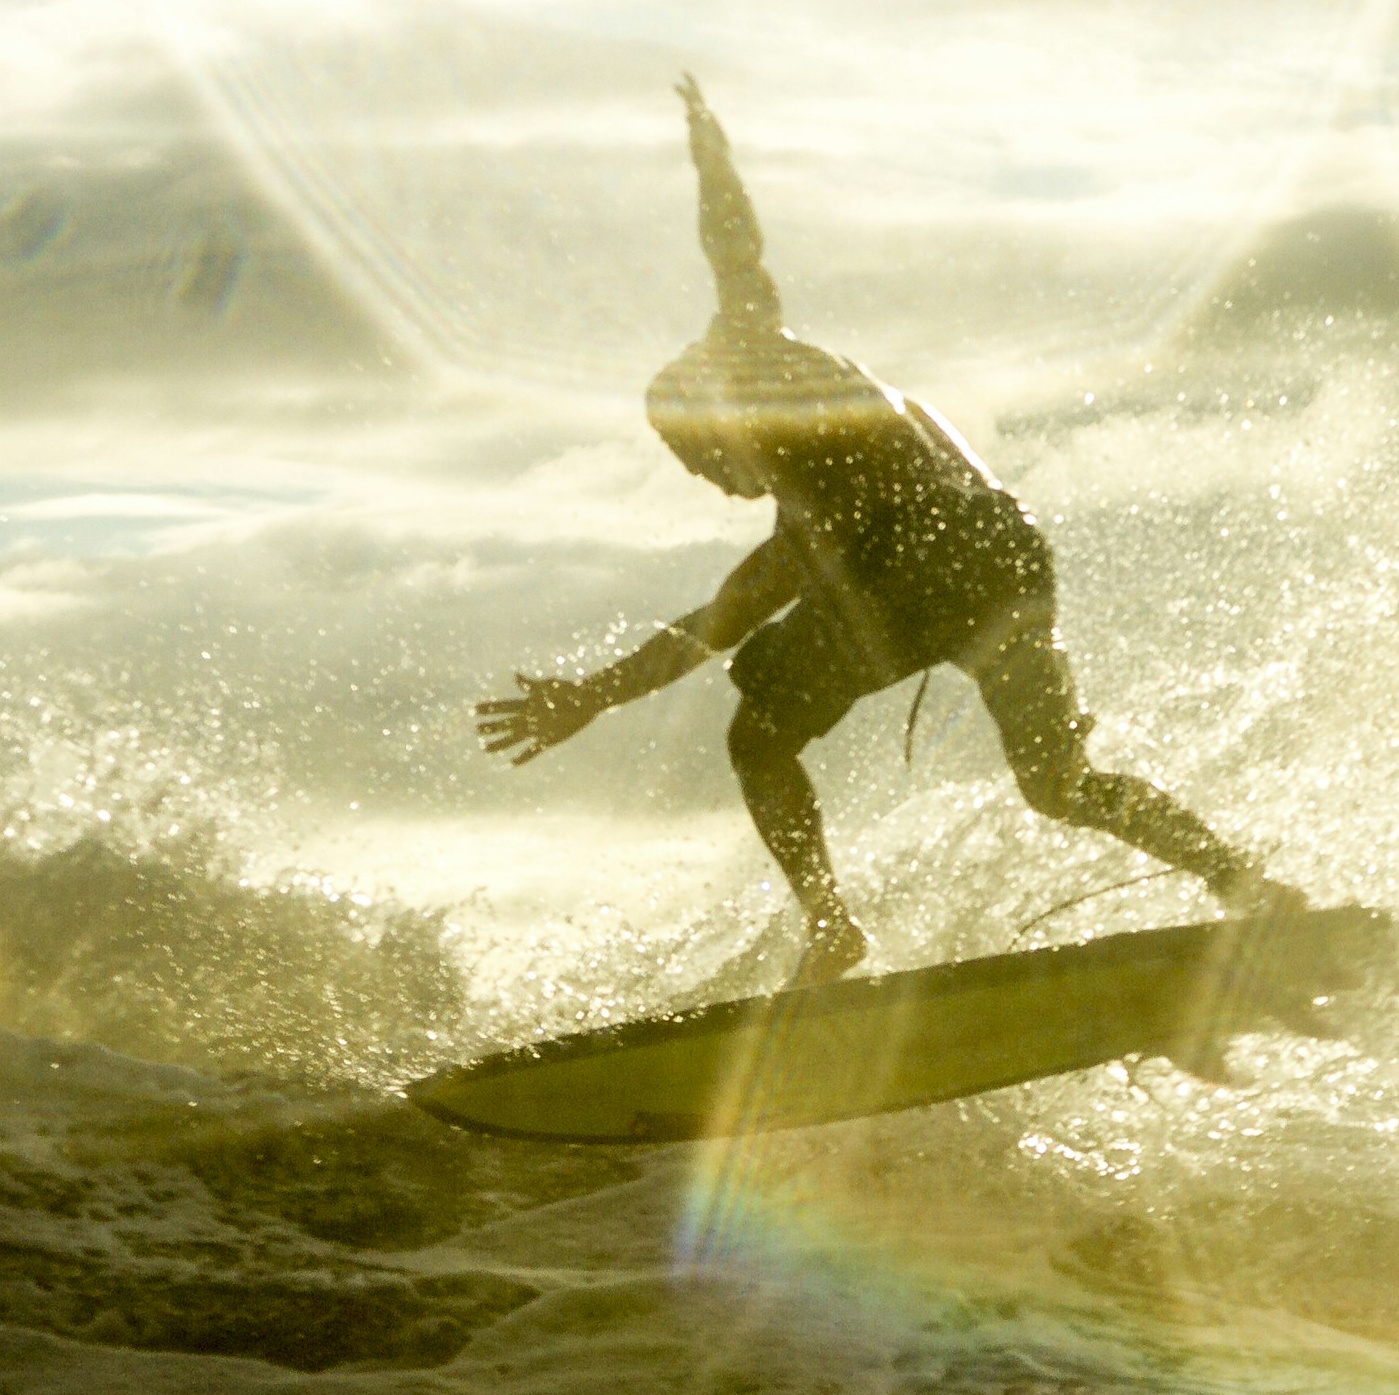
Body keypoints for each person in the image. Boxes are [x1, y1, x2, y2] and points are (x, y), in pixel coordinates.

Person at [476, 77, 1303, 986]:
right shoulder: (795, 421)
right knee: (1060, 785)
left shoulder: (755, 383)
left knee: (756, 740)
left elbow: (722, 616)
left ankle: (833, 930)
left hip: (911, 570)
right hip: (1003, 554)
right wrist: (708, 150)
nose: (714, 485)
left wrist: (592, 697)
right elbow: (737, 258)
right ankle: (1246, 886)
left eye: (699, 462)